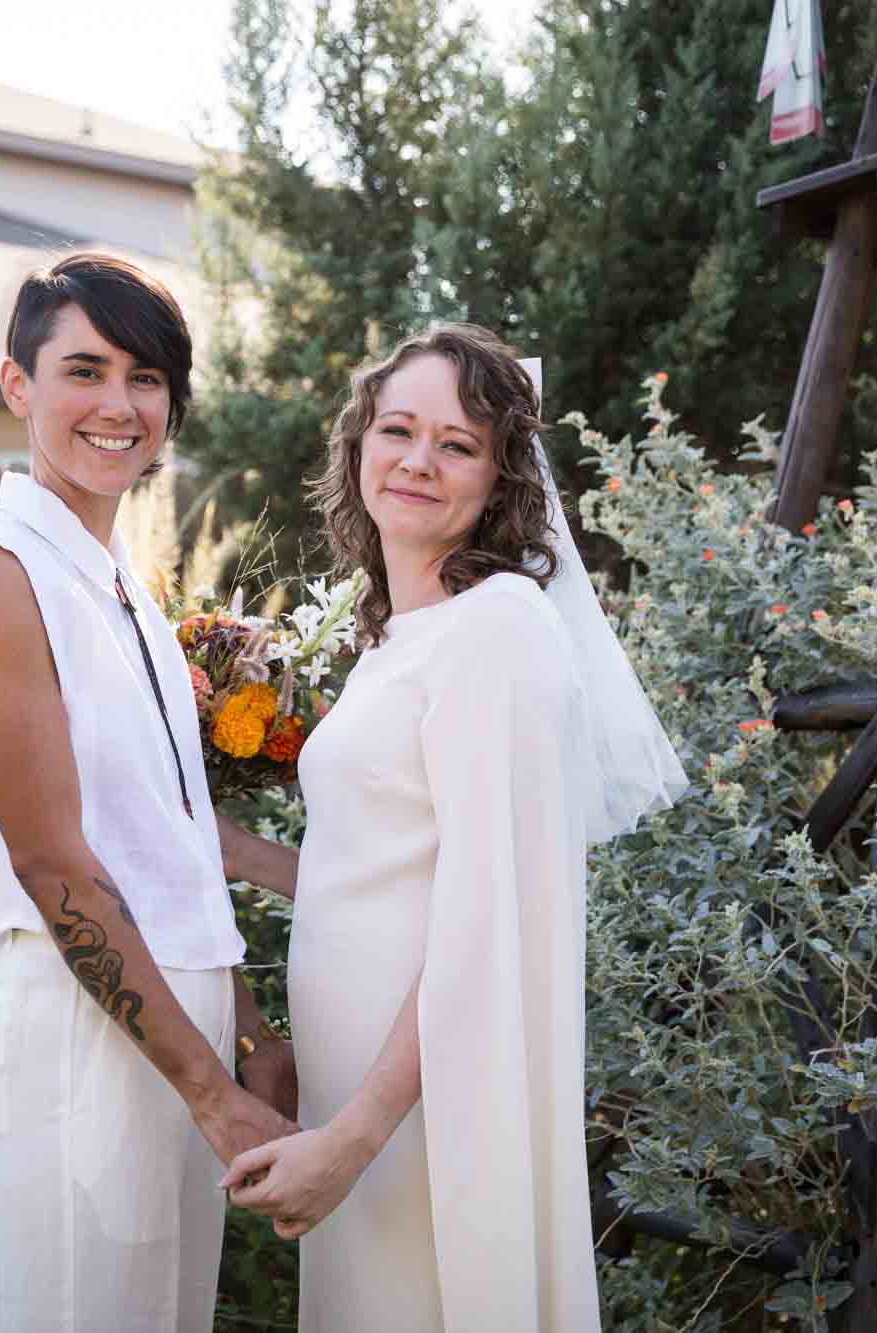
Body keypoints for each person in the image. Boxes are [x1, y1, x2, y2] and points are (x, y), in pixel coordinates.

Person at [220, 324, 687, 1330]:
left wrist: (351, 1138)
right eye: (397, 428)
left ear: (501, 477)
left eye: (457, 443)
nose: (418, 460)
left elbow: (487, 917)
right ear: (358, 445)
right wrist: (219, 847)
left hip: (424, 1111)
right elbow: (383, 874)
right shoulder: (400, 637)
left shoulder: (499, 630)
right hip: (357, 1096)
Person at [0, 252, 303, 1333]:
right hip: (80, 1053)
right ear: (16, 386)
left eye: (147, 377)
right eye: (84, 370)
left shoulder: (114, 580)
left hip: (174, 1037)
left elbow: (165, 841)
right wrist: (210, 1090)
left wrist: (247, 1025)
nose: (119, 405)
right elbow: (56, 869)